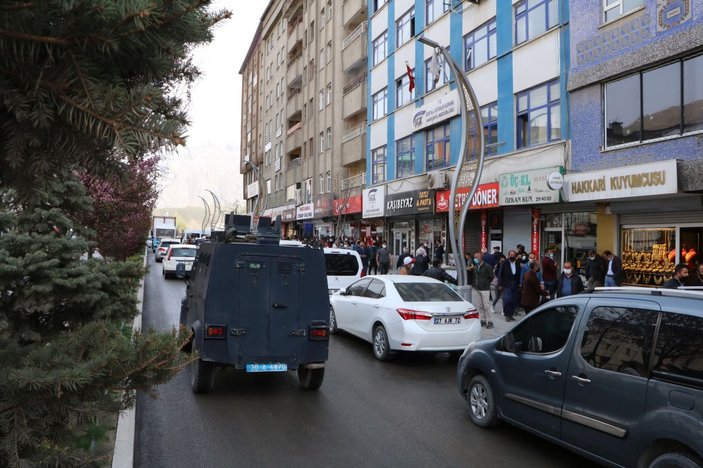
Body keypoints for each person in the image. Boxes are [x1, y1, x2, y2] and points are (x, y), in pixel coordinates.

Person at [472, 252, 495, 329]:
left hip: (485, 288)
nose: (475, 259)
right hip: (477, 288)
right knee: (480, 306)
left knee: (486, 306)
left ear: (481, 258)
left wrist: (485, 283)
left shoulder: (487, 266)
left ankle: (490, 321)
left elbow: (491, 277)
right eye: (474, 257)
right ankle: (483, 320)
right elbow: (475, 276)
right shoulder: (476, 266)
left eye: (476, 257)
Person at [497, 250, 521, 321]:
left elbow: (519, 274)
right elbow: (500, 274)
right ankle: (506, 314)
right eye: (511, 254)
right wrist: (500, 284)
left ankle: (511, 314)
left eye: (513, 255)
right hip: (507, 284)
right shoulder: (504, 263)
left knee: (514, 300)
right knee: (508, 299)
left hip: (515, 283)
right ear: (508, 255)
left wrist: (520, 283)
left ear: (515, 256)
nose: (512, 256)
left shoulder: (517, 263)